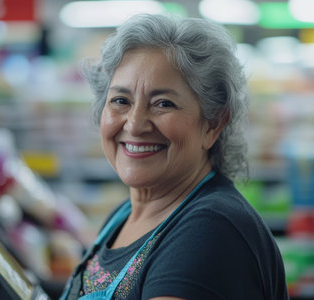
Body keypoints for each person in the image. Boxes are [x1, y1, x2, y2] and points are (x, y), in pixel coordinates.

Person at [60, 14, 289, 300]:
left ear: (213, 124)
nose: (134, 124)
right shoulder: (121, 217)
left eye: (163, 104)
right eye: (121, 100)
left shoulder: (208, 231)